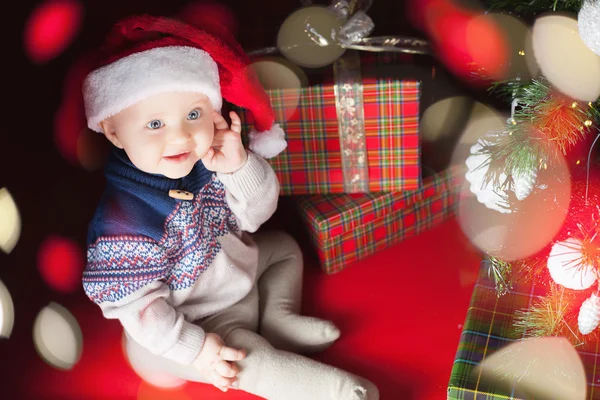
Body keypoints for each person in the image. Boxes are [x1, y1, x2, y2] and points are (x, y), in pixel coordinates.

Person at [78, 10, 378, 400]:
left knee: (284, 247)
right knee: (242, 358)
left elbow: (256, 216)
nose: (181, 136)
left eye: (193, 114)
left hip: (238, 277)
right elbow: (141, 310)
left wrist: (239, 166)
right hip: (193, 324)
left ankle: (277, 319)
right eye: (155, 125)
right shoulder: (124, 222)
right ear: (114, 131)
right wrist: (199, 350)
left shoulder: (207, 164)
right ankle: (331, 391)